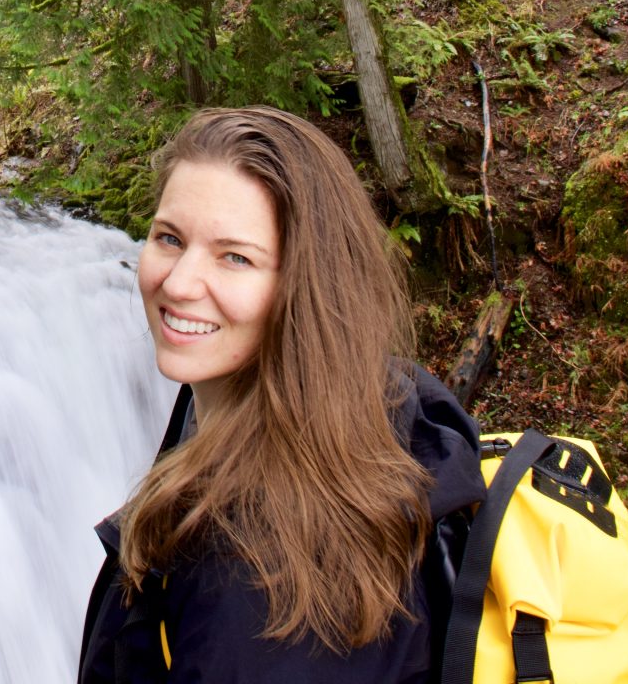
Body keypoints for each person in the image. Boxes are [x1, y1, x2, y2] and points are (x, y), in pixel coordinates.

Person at [78, 107, 485, 684]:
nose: (178, 282)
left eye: (235, 257)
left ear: (307, 286)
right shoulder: (377, 400)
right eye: (169, 238)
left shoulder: (260, 584)